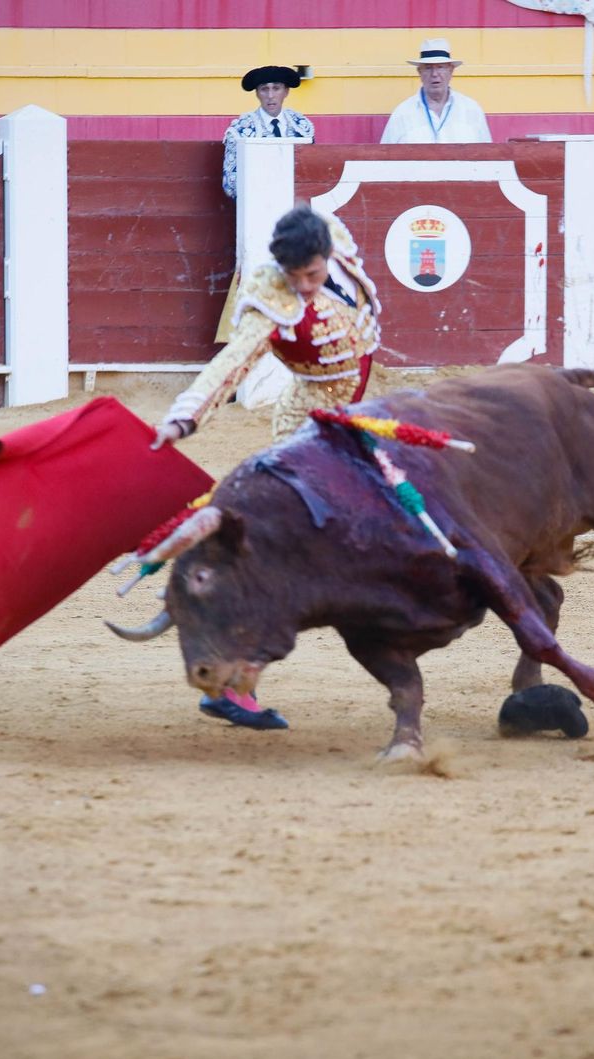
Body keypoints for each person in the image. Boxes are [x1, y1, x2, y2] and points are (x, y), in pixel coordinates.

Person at [150, 205, 383, 730]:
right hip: (308, 428)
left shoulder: (336, 240)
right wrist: (183, 419)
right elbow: (227, 367)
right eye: (294, 276)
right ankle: (232, 680)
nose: (303, 287)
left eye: (313, 275)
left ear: (326, 256)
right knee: (294, 550)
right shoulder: (269, 301)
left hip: (356, 416)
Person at [222, 65, 315, 199]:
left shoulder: (301, 126)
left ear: (286, 92)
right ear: (257, 93)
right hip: (256, 205)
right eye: (264, 89)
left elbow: (310, 174)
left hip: (295, 206)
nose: (270, 96)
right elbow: (231, 184)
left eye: (276, 88)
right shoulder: (241, 130)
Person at [379, 37, 493, 145]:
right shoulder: (402, 114)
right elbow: (385, 158)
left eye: (440, 67)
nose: (434, 74)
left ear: (451, 70)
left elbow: (490, 156)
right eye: (428, 68)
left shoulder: (472, 110)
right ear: (419, 72)